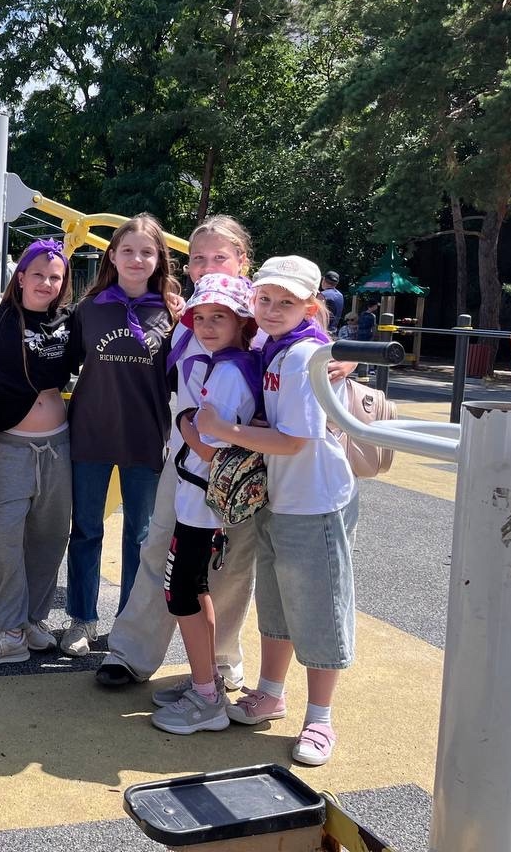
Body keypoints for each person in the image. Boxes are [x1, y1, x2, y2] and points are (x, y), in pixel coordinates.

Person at [196, 254, 357, 767]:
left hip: (313, 499)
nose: (270, 309)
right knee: (277, 600)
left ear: (309, 306)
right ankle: (270, 691)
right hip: (281, 496)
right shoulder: (274, 346)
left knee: (318, 606)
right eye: (264, 298)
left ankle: (320, 718)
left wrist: (223, 431)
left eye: (285, 302)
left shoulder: (301, 353)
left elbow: (293, 440)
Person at [95, 216, 259, 687]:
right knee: (158, 548)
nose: (208, 266)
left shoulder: (257, 315)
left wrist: (332, 353)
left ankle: (219, 661)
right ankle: (131, 652)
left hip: (238, 466)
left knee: (229, 566)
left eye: (220, 257)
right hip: (185, 458)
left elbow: (302, 342)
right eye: (198, 259)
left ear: (242, 261)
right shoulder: (191, 318)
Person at [63, 214, 180, 657]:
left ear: (158, 259)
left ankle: (129, 624)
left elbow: (186, 374)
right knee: (86, 530)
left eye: (146, 252)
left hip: (145, 436)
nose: (136, 259)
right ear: (112, 256)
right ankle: (81, 618)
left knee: (140, 535)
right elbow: (62, 360)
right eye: (127, 250)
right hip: (91, 433)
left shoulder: (173, 314)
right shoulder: (90, 309)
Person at [150, 274, 261, 734]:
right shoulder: (229, 364)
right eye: (201, 317)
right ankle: (205, 680)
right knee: (194, 588)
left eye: (220, 316)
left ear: (242, 323)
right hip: (199, 497)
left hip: (203, 499)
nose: (208, 325)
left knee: (181, 593)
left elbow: (214, 449)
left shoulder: (230, 371)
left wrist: (184, 419)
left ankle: (207, 699)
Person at [0, 239, 74, 667]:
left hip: (59, 446)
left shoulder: (70, 321)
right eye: (38, 274)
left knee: (50, 538)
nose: (46, 283)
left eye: (55, 277)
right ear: (21, 277)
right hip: (11, 446)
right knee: (6, 541)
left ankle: (31, 620)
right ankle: (8, 630)